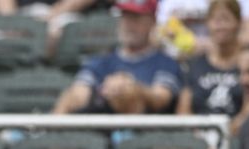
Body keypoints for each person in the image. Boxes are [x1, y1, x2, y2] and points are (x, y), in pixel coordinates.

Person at [52, 0, 184, 115]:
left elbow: (161, 98)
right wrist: (103, 90)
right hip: (101, 131)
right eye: (125, 17)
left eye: (135, 18)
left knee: (128, 94)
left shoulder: (165, 62)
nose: (128, 24)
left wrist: (132, 88)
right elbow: (78, 93)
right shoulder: (101, 61)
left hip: (146, 135)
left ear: (152, 21)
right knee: (69, 97)